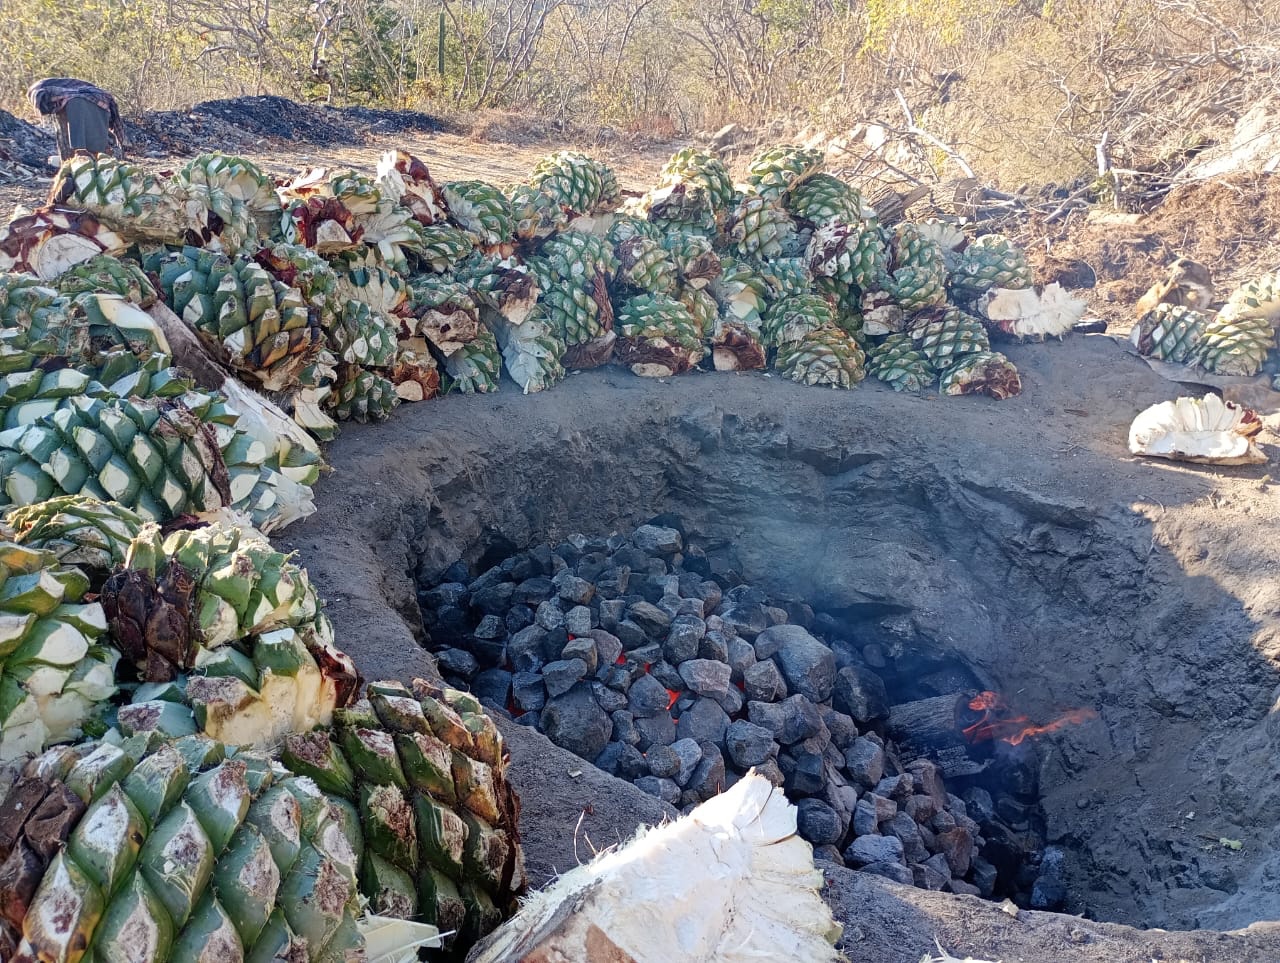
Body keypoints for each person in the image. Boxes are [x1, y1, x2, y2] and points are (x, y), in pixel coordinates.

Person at [27, 77, 128, 161]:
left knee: (77, 102)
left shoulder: (80, 97)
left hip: (84, 98)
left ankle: (89, 151)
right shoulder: (56, 93)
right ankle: (82, 152)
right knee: (76, 102)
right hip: (57, 91)